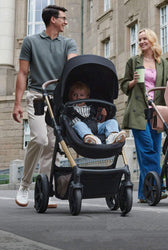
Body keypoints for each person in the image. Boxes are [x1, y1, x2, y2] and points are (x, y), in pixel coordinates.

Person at [12, 5, 78, 208]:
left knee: (52, 146)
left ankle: (45, 191)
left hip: (58, 99)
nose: (66, 22)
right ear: (52, 20)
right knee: (40, 139)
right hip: (37, 96)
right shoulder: (31, 42)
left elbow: (72, 67)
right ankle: (24, 185)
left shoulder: (68, 43)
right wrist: (17, 103)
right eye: (63, 18)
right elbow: (23, 73)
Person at [120, 28, 168, 203]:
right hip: (138, 111)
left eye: (144, 39)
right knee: (148, 149)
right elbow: (123, 85)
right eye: (139, 39)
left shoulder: (163, 63)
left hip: (156, 111)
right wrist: (133, 82)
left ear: (152, 40)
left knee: (154, 151)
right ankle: (158, 187)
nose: (141, 42)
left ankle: (144, 193)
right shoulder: (133, 61)